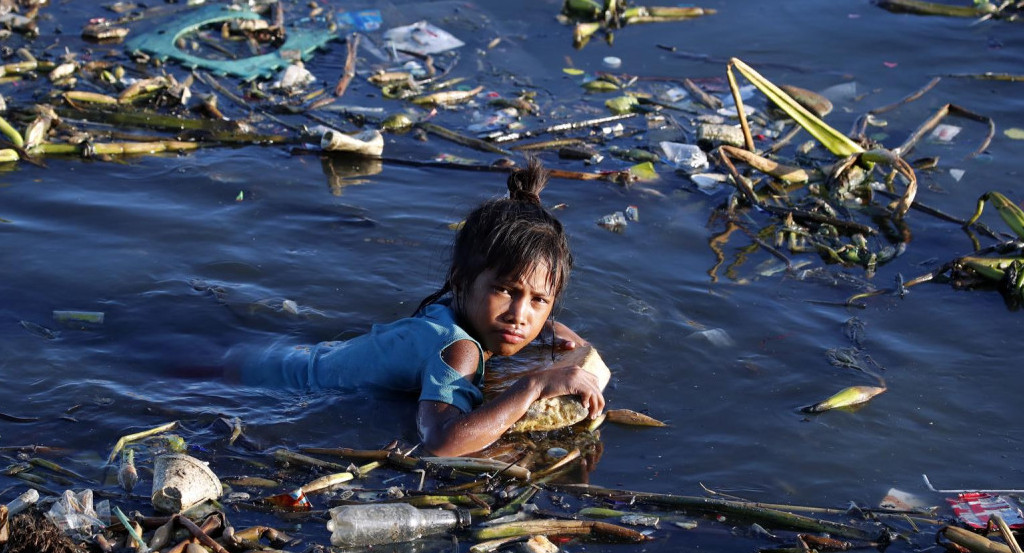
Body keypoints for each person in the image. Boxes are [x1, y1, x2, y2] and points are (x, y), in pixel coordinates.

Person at [231, 158, 605, 457]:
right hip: (270, 384)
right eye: (506, 291)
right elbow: (441, 441)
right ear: (461, 280)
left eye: (539, 301)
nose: (520, 315)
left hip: (282, 360)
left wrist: (554, 333)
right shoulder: (459, 350)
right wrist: (533, 386)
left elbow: (522, 310)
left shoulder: (454, 309)